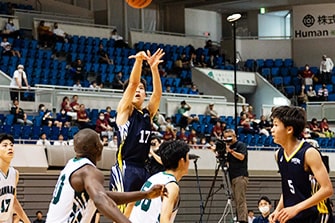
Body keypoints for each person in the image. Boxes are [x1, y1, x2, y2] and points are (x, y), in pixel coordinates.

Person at [45, 128, 166, 223]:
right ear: (97, 147)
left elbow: (104, 196)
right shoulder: (89, 171)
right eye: (99, 141)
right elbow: (100, 199)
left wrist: (145, 194)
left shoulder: (72, 165)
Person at [109, 48, 165, 216]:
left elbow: (157, 94)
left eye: (142, 88)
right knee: (121, 214)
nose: (138, 90)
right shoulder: (125, 111)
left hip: (143, 167)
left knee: (138, 213)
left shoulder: (147, 114)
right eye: (136, 88)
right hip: (125, 167)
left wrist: (154, 68)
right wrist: (139, 61)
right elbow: (132, 84)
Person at [269, 106, 333, 223]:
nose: (272, 129)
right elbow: (289, 189)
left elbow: (327, 189)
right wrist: (278, 210)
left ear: (289, 129)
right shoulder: (278, 154)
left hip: (316, 215)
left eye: (276, 125)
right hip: (294, 215)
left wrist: (296, 208)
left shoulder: (309, 153)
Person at [129, 140, 190, 223]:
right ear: (182, 161)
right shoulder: (171, 186)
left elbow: (131, 203)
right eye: (188, 157)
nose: (189, 162)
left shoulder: (155, 177)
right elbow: (164, 220)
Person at [0, 134, 31, 223]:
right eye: (5, 145)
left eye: (11, 145)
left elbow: (14, 201)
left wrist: (27, 221)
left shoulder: (14, 173)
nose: (10, 148)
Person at [222, 129, 248, 223]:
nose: (228, 139)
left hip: (240, 175)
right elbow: (226, 162)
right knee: (236, 200)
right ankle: (239, 218)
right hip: (231, 176)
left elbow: (242, 157)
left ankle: (242, 220)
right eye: (225, 138)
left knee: (240, 199)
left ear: (234, 136)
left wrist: (231, 151)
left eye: (229, 137)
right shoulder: (227, 148)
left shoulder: (240, 145)